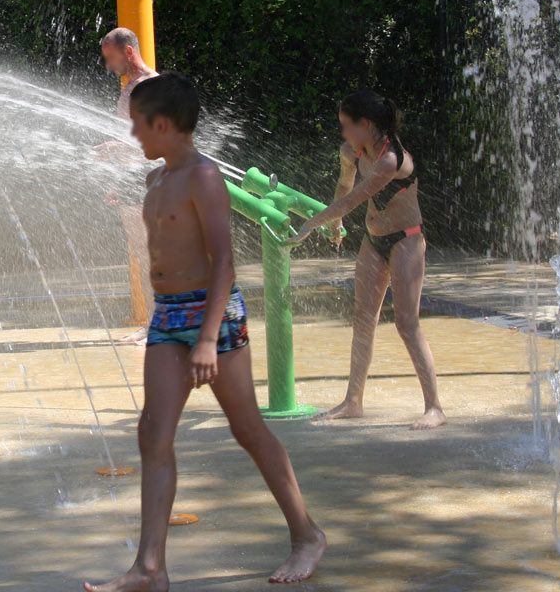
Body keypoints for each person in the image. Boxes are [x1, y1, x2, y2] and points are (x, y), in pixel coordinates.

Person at [85, 74, 325, 592]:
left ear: (163, 124)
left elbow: (223, 263)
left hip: (213, 316)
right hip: (169, 314)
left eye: (138, 126)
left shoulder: (204, 177)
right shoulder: (155, 180)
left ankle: (307, 534)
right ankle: (150, 569)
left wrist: (207, 338)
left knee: (248, 429)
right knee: (152, 432)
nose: (134, 137)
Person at [285, 91, 446, 430]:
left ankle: (434, 407)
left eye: (347, 126)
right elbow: (345, 187)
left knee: (406, 323)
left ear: (366, 124)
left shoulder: (391, 160)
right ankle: (353, 400)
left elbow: (357, 198)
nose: (343, 133)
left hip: (406, 240)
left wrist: (310, 226)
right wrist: (336, 223)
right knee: (362, 318)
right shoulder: (352, 151)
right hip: (374, 242)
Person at [93, 27, 159, 343]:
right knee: (142, 252)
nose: (108, 65)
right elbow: (131, 139)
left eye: (112, 57)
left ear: (128, 52)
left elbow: (158, 140)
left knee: (158, 253)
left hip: (157, 175)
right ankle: (155, 323)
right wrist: (119, 179)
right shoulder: (130, 87)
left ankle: (171, 324)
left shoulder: (151, 87)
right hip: (134, 177)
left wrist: (115, 150)